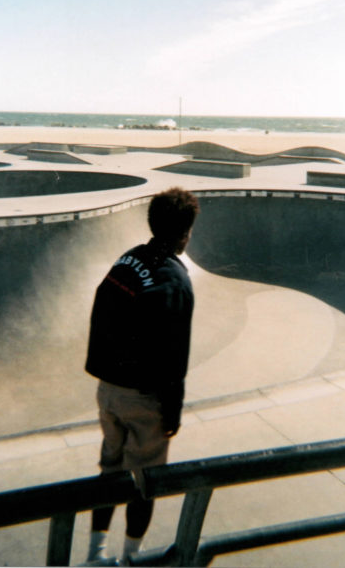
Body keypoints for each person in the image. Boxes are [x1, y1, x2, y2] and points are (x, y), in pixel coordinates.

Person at [83, 187, 199, 566]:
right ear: (185, 233)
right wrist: (173, 412)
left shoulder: (128, 259)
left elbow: (100, 310)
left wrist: (104, 370)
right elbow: (174, 356)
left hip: (108, 391)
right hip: (143, 398)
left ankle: (95, 554)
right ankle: (131, 558)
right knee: (145, 481)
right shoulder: (174, 281)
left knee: (110, 469)